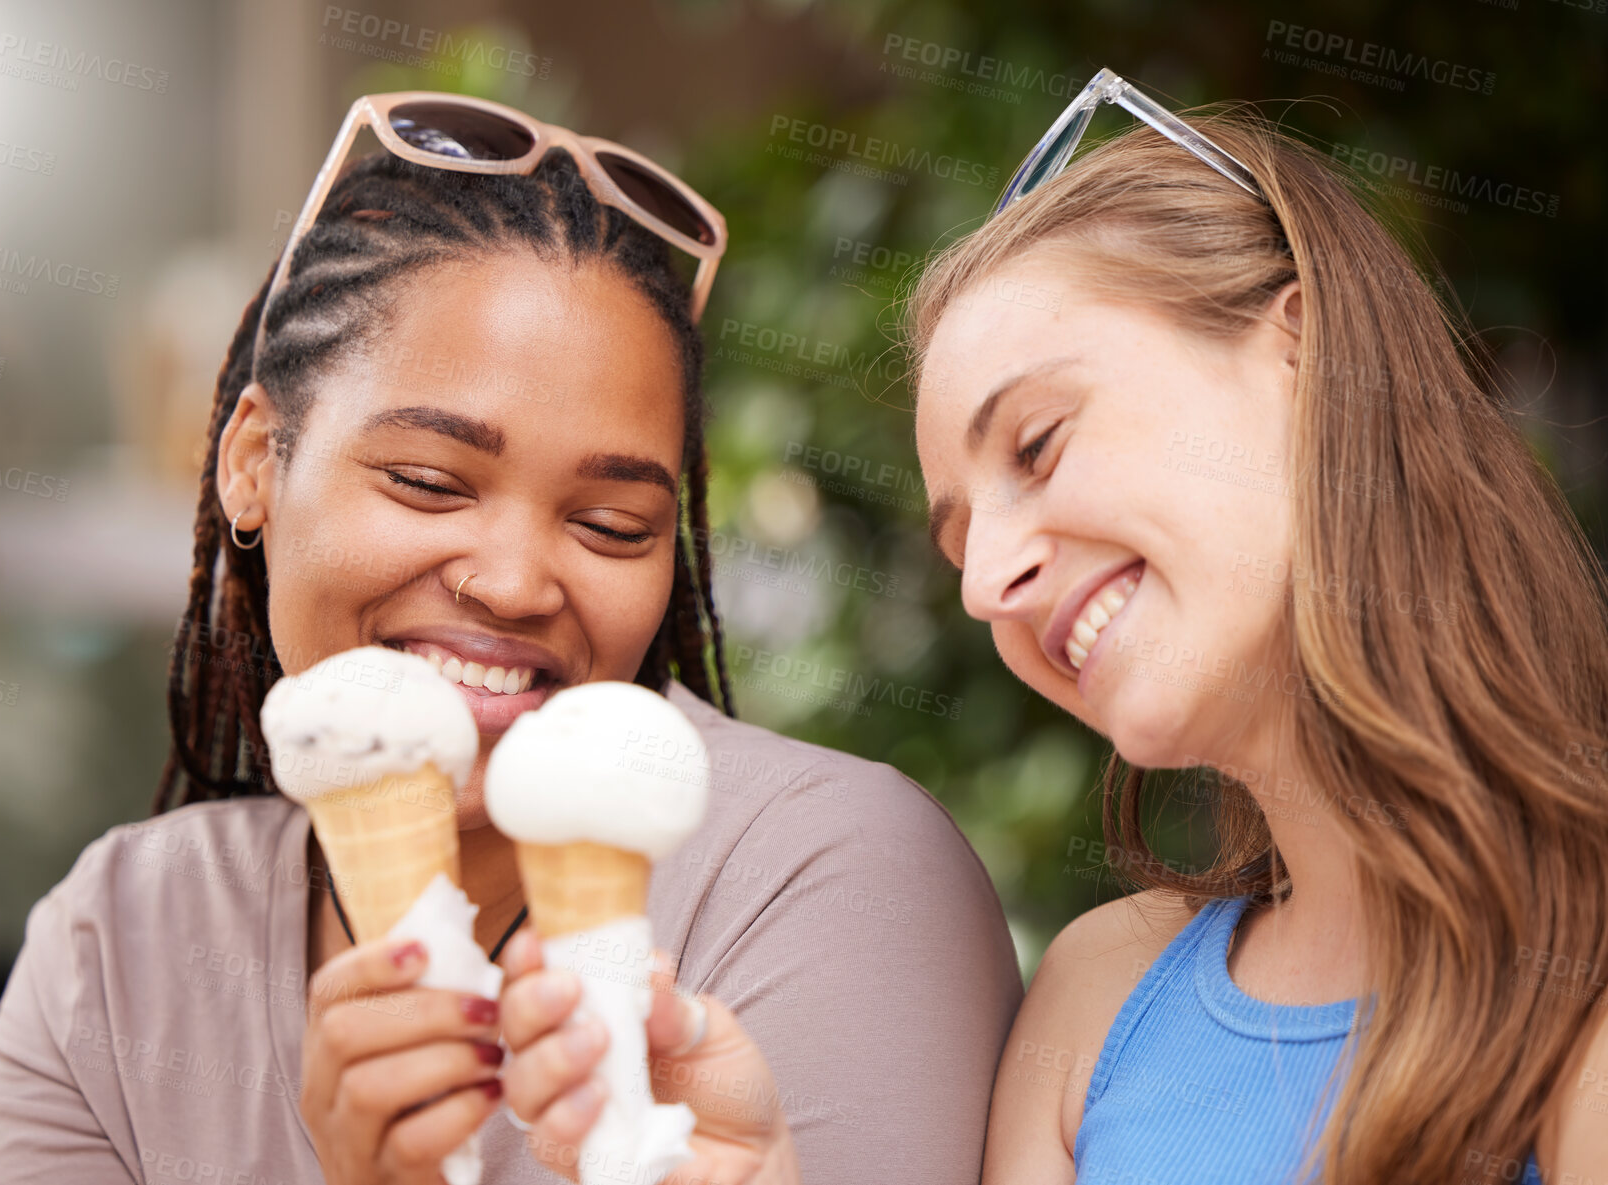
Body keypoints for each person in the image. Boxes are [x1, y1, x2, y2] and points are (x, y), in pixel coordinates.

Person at [499, 73, 1608, 1184]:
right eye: (959, 542)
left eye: (1037, 446)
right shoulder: (1098, 993)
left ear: (1302, 352)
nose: (987, 583)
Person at [0, 93, 1023, 1185]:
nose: (515, 583)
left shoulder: (827, 878)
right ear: (253, 461)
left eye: (612, 525)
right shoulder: (115, 949)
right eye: (428, 482)